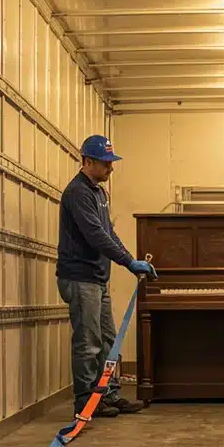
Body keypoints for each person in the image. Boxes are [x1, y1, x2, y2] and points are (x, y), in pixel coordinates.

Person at [56, 134, 158, 418]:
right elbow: (95, 235)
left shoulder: (99, 192)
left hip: (97, 278)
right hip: (80, 278)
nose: (111, 169)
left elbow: (108, 231)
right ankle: (86, 403)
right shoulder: (78, 192)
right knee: (88, 343)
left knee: (109, 341)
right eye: (105, 163)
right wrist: (128, 262)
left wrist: (130, 259)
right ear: (88, 162)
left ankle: (110, 395)